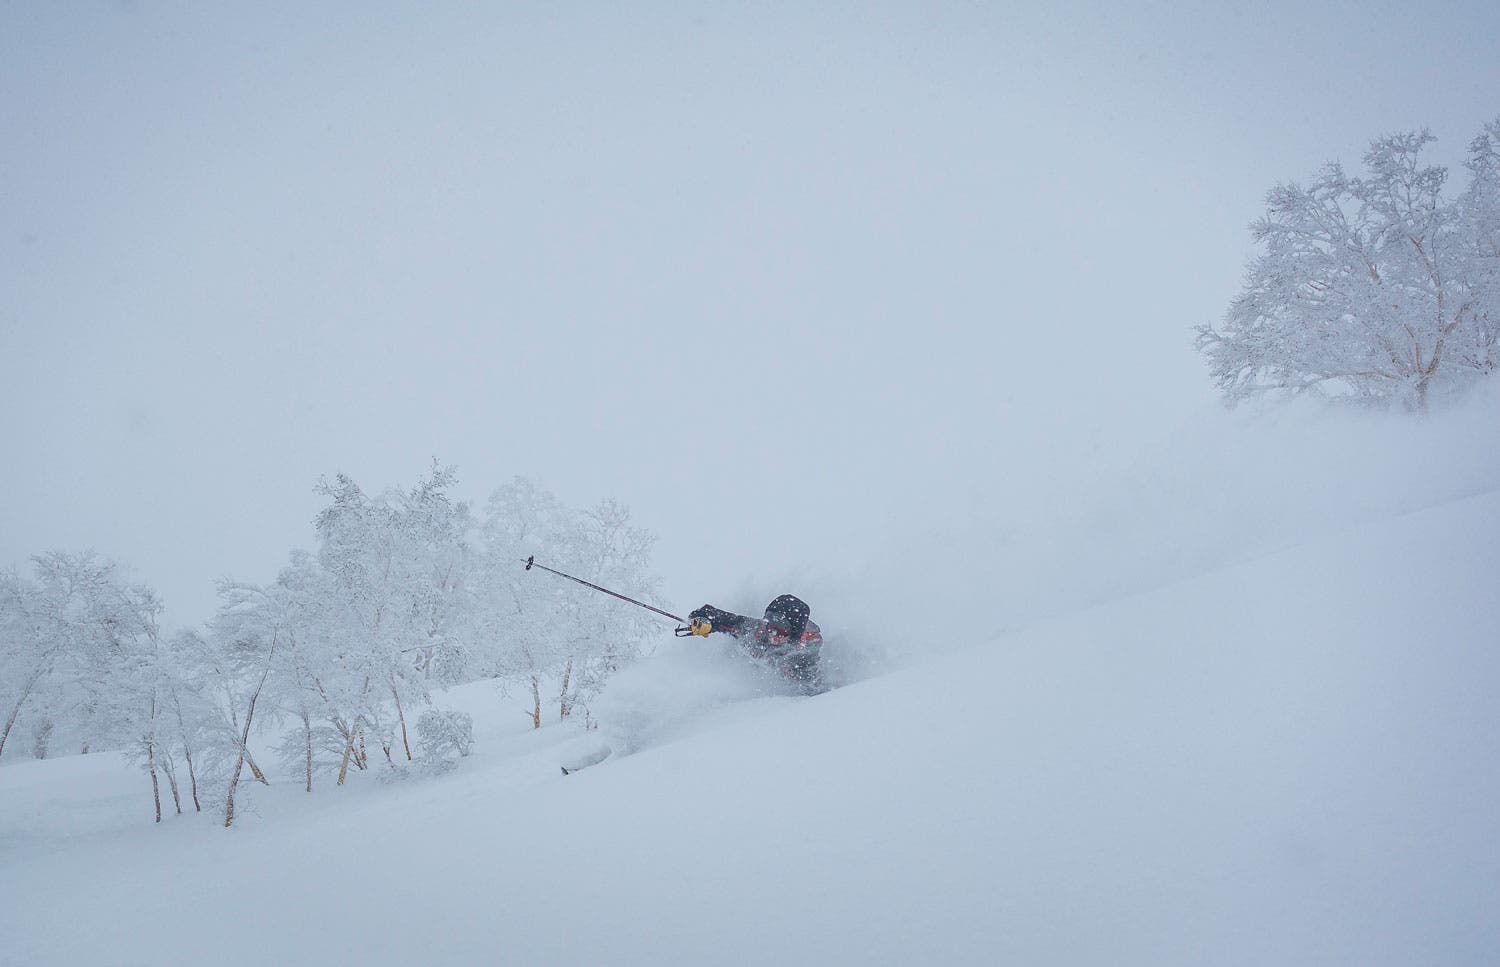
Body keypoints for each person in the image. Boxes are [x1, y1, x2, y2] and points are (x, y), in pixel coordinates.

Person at [687, 594, 825, 693]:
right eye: (769, 626)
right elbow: (722, 618)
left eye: (779, 632)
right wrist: (702, 620)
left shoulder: (804, 652)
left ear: (793, 635)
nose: (772, 634)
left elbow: (813, 690)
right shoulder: (757, 632)